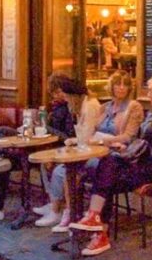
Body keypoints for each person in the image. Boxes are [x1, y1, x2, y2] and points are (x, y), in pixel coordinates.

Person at [68, 72, 150, 255]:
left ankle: (98, 229)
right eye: (117, 84)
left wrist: (104, 142)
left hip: (124, 160)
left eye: (125, 84)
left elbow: (129, 137)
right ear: (111, 86)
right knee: (73, 168)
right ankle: (81, 219)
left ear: (130, 88)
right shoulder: (104, 107)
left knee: (104, 170)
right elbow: (91, 131)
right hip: (101, 156)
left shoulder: (134, 107)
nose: (121, 88)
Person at [35, 75, 102, 231]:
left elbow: (86, 137)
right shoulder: (82, 106)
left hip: (94, 153)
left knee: (62, 170)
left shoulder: (89, 106)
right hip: (85, 150)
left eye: (66, 96)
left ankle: (64, 212)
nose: (65, 100)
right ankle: (57, 208)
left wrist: (71, 142)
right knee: (50, 163)